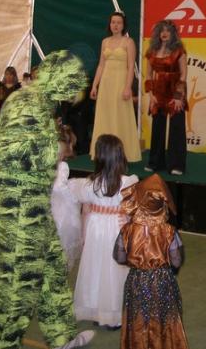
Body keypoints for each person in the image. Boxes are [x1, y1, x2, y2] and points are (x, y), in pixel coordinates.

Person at [0, 50, 94, 349]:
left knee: (52, 270)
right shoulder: (28, 103)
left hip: (32, 200)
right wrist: (54, 149)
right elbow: (10, 152)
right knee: (21, 284)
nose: (74, 93)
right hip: (19, 204)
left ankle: (63, 337)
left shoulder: (38, 101)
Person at [70, 134, 138, 328]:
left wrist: (83, 236)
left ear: (99, 157)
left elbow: (85, 211)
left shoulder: (90, 184)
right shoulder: (128, 182)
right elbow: (134, 210)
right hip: (117, 227)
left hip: (95, 229)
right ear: (120, 156)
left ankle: (96, 311)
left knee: (95, 268)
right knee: (114, 270)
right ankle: (113, 314)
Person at [119, 174, 188, 349]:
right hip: (162, 281)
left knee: (138, 320)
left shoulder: (128, 229)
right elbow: (177, 261)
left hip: (136, 280)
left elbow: (119, 256)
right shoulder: (169, 231)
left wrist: (136, 259)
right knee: (163, 319)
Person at [90, 11, 141, 162]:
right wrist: (95, 86)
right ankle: (103, 153)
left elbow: (131, 67)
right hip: (106, 84)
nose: (115, 25)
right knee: (105, 116)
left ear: (123, 25)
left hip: (121, 83)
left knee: (121, 117)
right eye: (113, 22)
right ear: (110, 24)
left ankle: (122, 154)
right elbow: (101, 65)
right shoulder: (105, 42)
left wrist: (128, 87)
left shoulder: (129, 42)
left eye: (119, 22)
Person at [145, 20, 187, 175]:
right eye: (162, 30)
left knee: (177, 128)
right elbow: (148, 75)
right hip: (158, 92)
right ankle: (156, 163)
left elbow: (183, 75)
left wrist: (178, 96)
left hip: (176, 91)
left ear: (173, 33)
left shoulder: (179, 51)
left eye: (168, 30)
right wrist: (151, 96)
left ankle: (177, 165)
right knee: (157, 127)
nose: (164, 33)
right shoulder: (151, 51)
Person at [51, 125, 83, 271]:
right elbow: (59, 186)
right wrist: (73, 198)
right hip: (62, 208)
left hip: (50, 204)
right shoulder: (63, 165)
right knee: (63, 238)